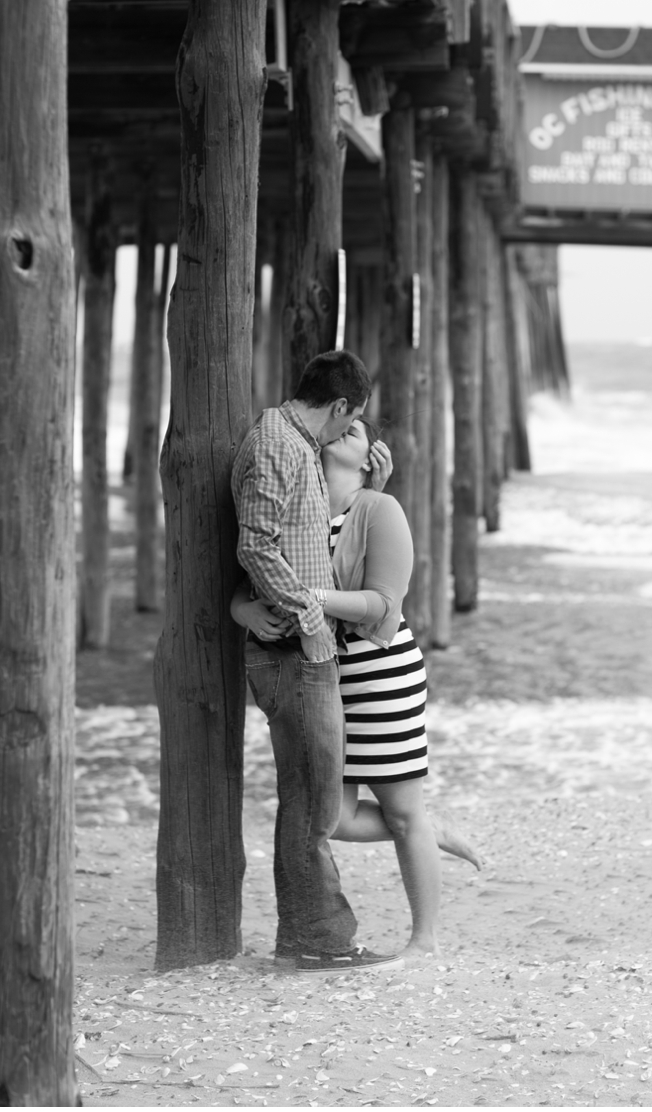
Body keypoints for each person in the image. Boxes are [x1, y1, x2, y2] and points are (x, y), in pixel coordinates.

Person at [232, 413, 481, 960]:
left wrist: (308, 598)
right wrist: (246, 610)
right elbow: (250, 582)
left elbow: (383, 610)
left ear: (371, 456)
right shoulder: (300, 508)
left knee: (399, 807)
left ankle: (424, 942)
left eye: (361, 430)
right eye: (343, 421)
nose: (349, 428)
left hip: (381, 671)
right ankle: (429, 829)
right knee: (333, 817)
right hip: (324, 676)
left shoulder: (378, 509)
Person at [230, 350, 402, 974]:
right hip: (293, 653)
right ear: (339, 407)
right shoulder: (278, 444)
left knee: (312, 797)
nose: (347, 430)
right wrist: (308, 620)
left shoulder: (294, 444)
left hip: (300, 650)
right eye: (351, 419)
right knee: (311, 802)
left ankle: (311, 935)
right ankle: (319, 940)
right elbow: (256, 546)